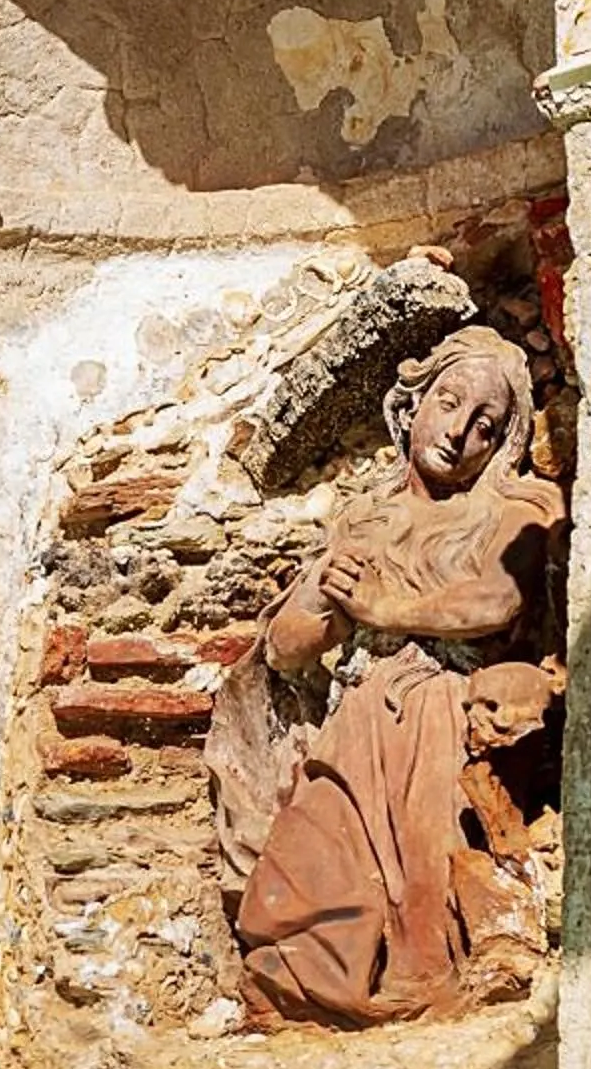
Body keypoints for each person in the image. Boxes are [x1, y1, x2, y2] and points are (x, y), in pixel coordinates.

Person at [208, 326, 566, 1027]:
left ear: (502, 445)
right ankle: (305, 995)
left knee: (426, 879)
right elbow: (285, 648)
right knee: (301, 868)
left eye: (484, 426)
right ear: (413, 403)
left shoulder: (517, 508)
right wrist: (322, 603)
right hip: (358, 714)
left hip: (445, 712)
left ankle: (428, 995)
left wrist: (384, 606)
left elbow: (496, 600)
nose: (458, 432)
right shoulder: (364, 518)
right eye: (449, 402)